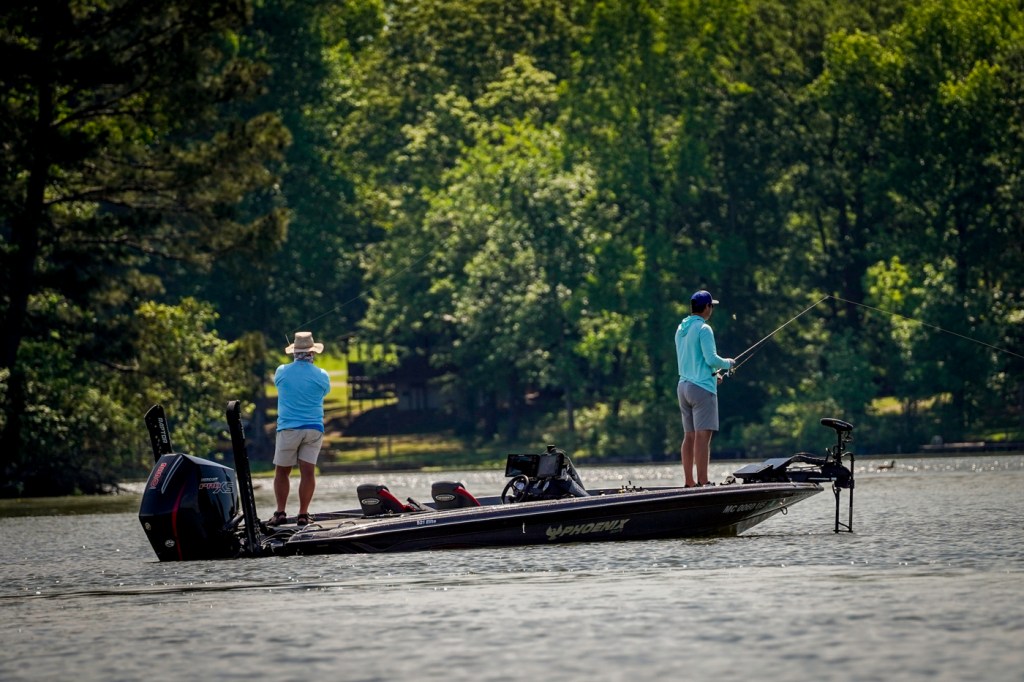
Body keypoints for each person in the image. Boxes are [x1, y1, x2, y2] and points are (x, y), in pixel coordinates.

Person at [267, 331, 332, 527]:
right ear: (313, 353)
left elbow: (280, 385)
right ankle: (303, 514)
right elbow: (324, 392)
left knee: (282, 472)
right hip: (314, 429)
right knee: (308, 472)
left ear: (294, 352)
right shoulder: (322, 375)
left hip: (288, 428)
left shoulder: (281, 372)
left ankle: (280, 512)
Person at [675, 290, 735, 488]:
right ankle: (703, 481)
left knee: (689, 436)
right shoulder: (704, 328)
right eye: (711, 306)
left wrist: (713, 375)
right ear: (707, 307)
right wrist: (728, 363)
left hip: (683, 387)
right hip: (701, 390)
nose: (712, 310)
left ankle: (689, 481)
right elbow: (711, 359)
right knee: (703, 437)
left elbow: (693, 360)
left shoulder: (681, 328)